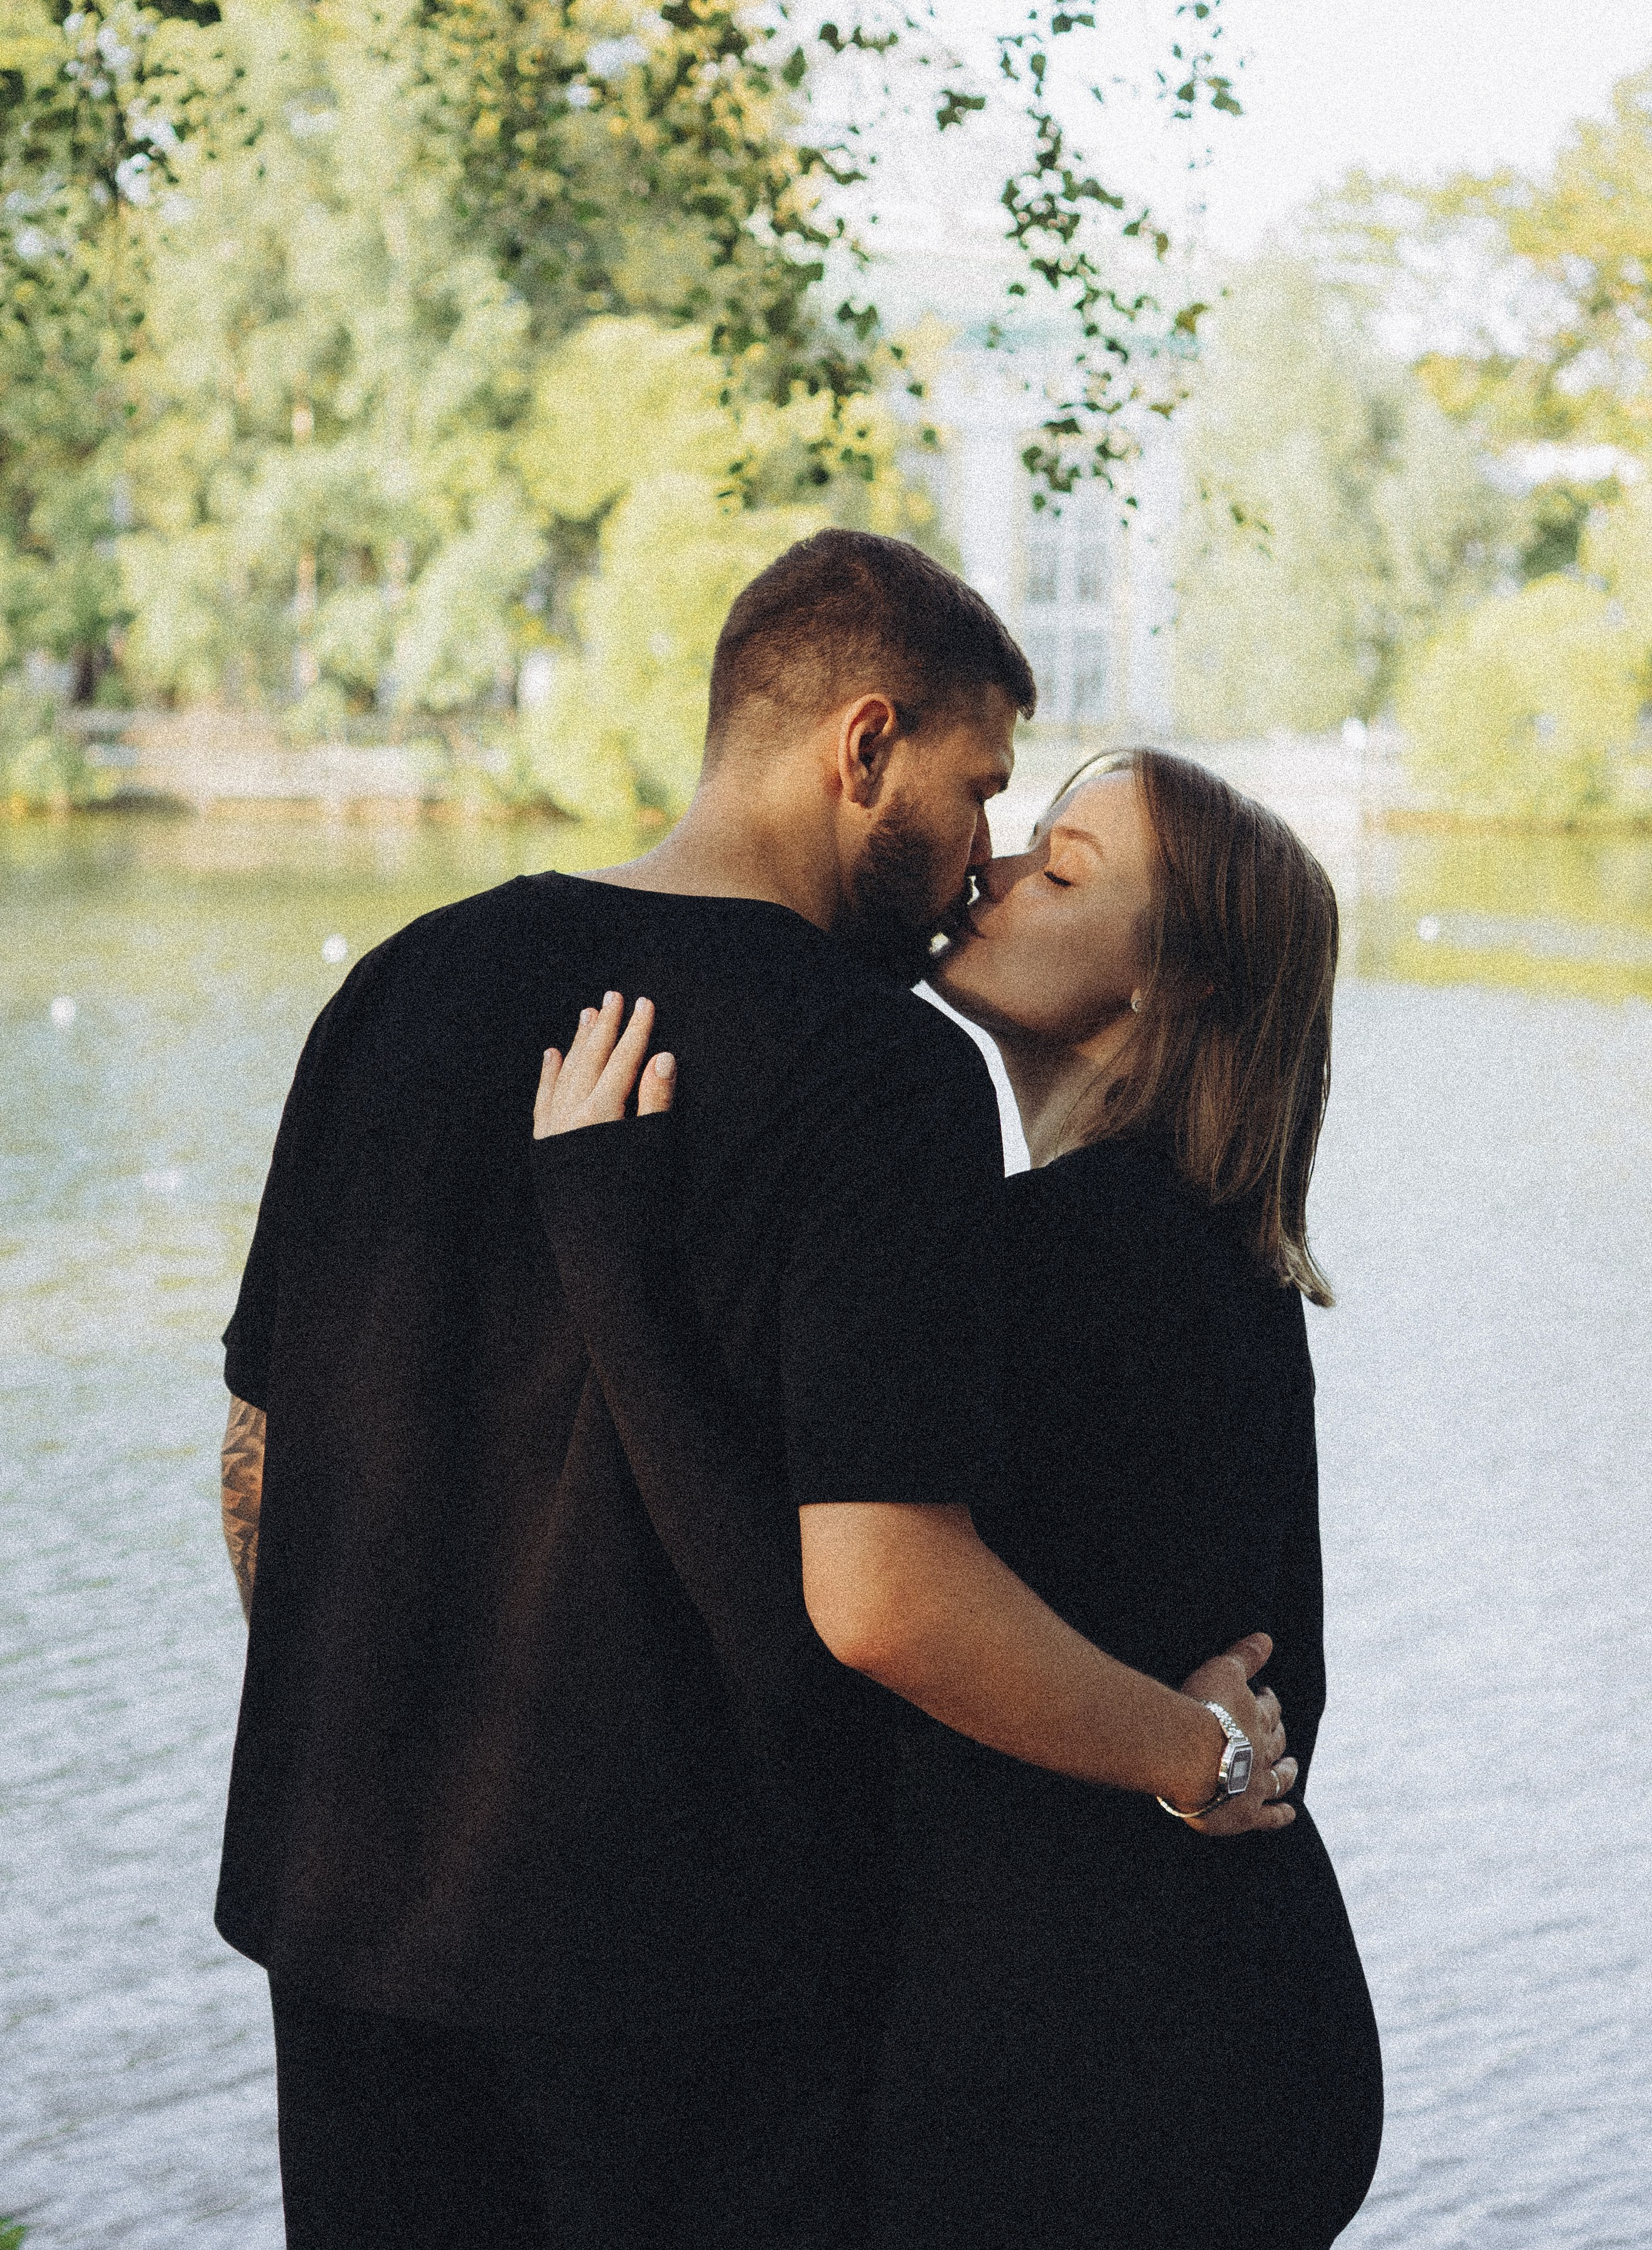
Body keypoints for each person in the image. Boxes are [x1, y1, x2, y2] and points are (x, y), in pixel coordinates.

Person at [217, 531, 1293, 2250]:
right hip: (687, 1974)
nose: (981, 856)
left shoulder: (399, 984)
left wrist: (376, 1751)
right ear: (864, 748)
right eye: (976, 789)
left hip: (344, 1920)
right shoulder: (883, 1076)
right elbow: (884, 1590)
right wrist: (1198, 1751)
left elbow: (261, 1464)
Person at [529, 747, 1382, 2250]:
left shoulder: (1055, 1251)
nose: (991, 870)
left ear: (1171, 981)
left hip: (1098, 2068)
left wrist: (600, 1232)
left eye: (1061, 869)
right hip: (1237, 2013)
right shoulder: (1213, 1255)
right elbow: (1268, 1675)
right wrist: (1206, 1749)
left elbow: (786, 1582)